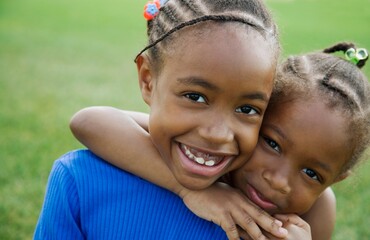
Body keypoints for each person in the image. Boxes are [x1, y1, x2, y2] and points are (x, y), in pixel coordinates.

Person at [34, 0, 286, 239]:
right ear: (147, 80)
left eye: (247, 110)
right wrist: (185, 190)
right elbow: (86, 121)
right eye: (195, 97)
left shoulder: (255, 219)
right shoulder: (79, 180)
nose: (217, 134)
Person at [69, 42, 370, 240]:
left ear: (336, 180)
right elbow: (89, 121)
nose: (279, 181)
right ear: (254, 116)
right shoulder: (211, 152)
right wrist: (190, 190)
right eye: (273, 144)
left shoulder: (316, 212)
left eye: (312, 174)